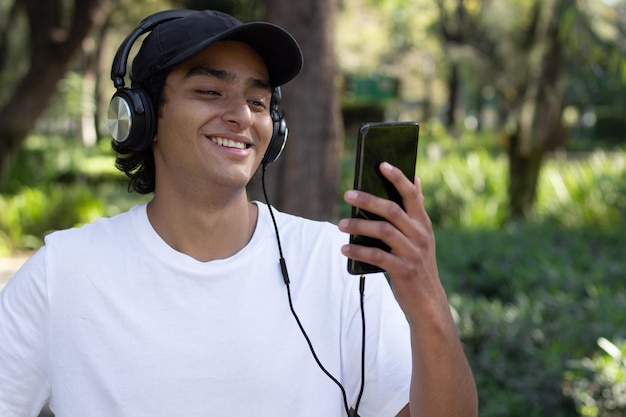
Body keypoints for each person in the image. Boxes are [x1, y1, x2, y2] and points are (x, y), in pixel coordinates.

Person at [0, 9, 477, 417]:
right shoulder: (62, 273)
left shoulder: (335, 262)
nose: (243, 116)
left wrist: (427, 301)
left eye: (258, 100)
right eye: (210, 92)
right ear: (140, 116)